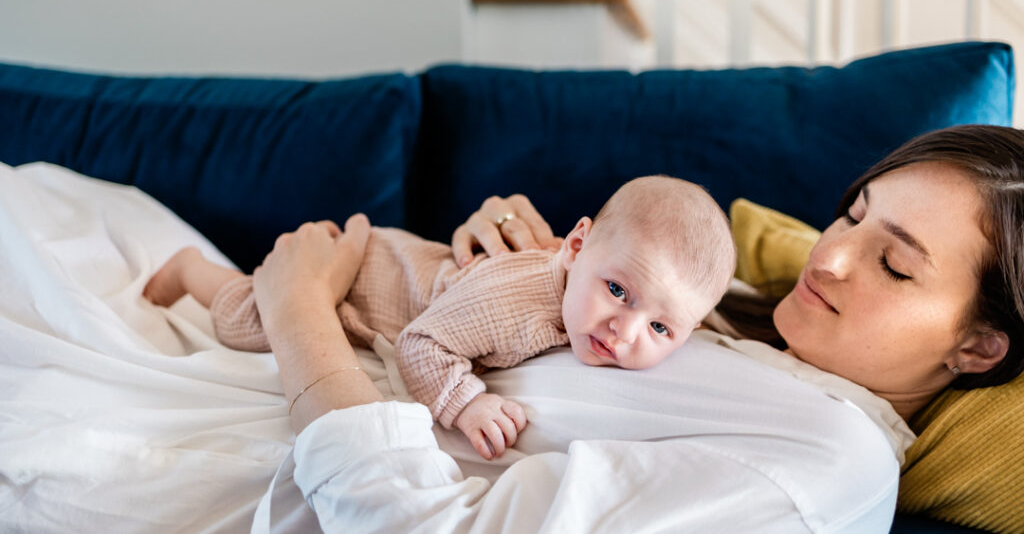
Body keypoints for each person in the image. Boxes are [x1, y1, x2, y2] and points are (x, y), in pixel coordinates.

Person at [244, 124, 1024, 532]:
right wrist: (512, 258)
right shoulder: (732, 309)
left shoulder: (826, 465)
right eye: (852, 213)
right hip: (312, 364)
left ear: (978, 345)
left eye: (893, 263)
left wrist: (298, 311)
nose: (832, 256)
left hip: (291, 452)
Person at [145, 175, 736, 460]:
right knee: (251, 318)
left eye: (662, 329)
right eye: (617, 290)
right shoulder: (518, 302)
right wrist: (466, 403)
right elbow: (423, 344)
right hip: (364, 280)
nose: (625, 332)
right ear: (575, 247)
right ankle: (192, 268)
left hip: (405, 265)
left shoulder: (599, 311)